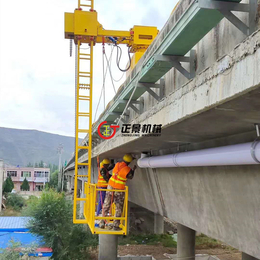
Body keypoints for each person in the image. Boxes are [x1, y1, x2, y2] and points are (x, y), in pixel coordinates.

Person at [100, 154, 137, 231]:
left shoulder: (117, 164)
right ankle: (115, 225)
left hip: (110, 187)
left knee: (106, 204)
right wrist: (133, 170)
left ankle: (102, 222)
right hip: (118, 189)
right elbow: (130, 176)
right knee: (118, 207)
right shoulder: (127, 169)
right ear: (129, 162)